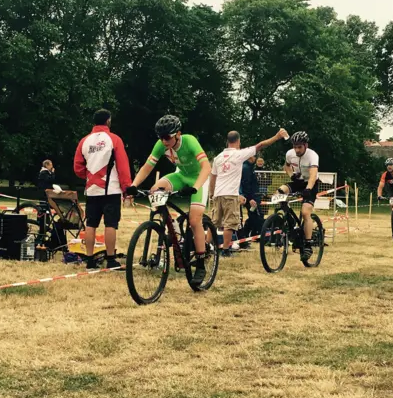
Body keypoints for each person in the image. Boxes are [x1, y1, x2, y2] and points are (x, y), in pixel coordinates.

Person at [125, 115, 211, 285]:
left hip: (198, 179)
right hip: (181, 176)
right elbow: (147, 167)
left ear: (178, 134)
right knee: (155, 190)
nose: (164, 141)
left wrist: (195, 187)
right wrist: (133, 185)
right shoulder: (160, 145)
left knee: (194, 221)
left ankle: (200, 264)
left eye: (167, 137)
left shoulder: (190, 141)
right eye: (161, 137)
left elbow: (206, 167)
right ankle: (175, 229)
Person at [210, 129, 287, 257]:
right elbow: (261, 145)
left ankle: (207, 247)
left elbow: (213, 177)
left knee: (214, 222)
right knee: (230, 223)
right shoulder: (239, 154)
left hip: (218, 194)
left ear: (227, 141)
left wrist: (211, 194)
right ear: (238, 141)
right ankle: (225, 250)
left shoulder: (218, 158)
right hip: (231, 194)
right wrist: (277, 136)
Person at [74, 109, 131, 270]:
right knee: (111, 224)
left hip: (91, 190)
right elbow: (123, 166)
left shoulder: (84, 141)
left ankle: (90, 259)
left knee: (91, 224)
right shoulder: (114, 140)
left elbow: (77, 167)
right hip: (111, 189)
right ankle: (111, 259)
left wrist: (88, 176)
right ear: (108, 121)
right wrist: (127, 188)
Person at [277, 131, 319, 261]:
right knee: (280, 191)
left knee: (305, 212)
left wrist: (308, 189)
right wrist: (291, 175)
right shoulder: (290, 154)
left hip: (311, 183)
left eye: (299, 147)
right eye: (295, 146)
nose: (296, 149)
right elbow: (286, 166)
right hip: (298, 181)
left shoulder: (312, 155)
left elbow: (313, 175)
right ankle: (290, 223)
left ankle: (307, 244)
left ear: (306, 145)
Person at [240, 155, 264, 240]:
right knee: (257, 216)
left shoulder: (249, 167)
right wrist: (250, 198)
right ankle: (257, 235)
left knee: (254, 215)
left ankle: (248, 234)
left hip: (253, 196)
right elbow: (246, 184)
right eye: (254, 157)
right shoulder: (246, 168)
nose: (255, 159)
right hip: (251, 197)